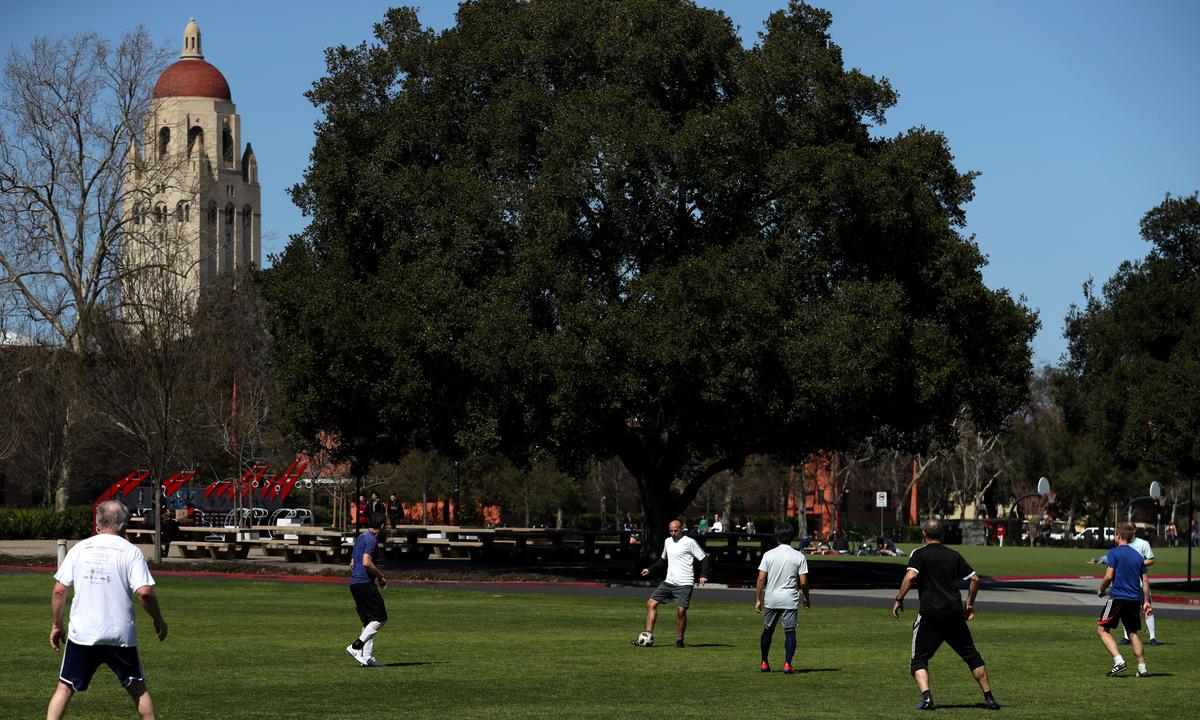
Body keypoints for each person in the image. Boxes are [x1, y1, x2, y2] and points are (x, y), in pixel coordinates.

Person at [47, 500, 168, 720]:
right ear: (125, 526)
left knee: (64, 688)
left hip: (83, 634)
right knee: (138, 689)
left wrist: (57, 625)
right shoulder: (131, 552)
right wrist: (158, 619)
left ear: (97, 524)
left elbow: (59, 590)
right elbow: (144, 592)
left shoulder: (80, 549)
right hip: (119, 634)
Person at [892, 519, 1000, 711]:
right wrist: (969, 604)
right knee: (972, 656)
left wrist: (899, 598)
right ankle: (989, 698)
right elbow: (974, 578)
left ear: (923, 534)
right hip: (954, 614)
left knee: (919, 659)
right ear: (941, 535)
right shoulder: (953, 555)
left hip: (930, 615)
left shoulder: (919, 554)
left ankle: (927, 698)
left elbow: (911, 576)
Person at [635, 520, 709, 648]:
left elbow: (704, 558)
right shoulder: (667, 542)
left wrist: (703, 575)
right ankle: (648, 635)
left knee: (681, 612)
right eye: (671, 531)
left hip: (685, 583)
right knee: (651, 603)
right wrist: (650, 569)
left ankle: (680, 639)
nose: (673, 533)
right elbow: (663, 560)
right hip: (669, 582)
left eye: (676, 531)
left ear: (682, 529)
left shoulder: (689, 542)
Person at [1096, 525, 1152, 677]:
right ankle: (1142, 668)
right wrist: (1146, 601)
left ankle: (1119, 661)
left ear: (1118, 535)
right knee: (1133, 632)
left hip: (1117, 598)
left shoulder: (1114, 552)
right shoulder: (1138, 556)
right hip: (1134, 599)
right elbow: (1145, 580)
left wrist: (1101, 589)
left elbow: (1108, 576)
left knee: (1102, 629)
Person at [755, 523, 811, 673]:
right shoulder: (799, 556)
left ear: (777, 537)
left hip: (771, 598)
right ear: (792, 538)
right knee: (790, 631)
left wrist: (758, 599)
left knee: (768, 630)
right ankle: (787, 664)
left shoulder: (768, 555)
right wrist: (806, 598)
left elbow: (761, 579)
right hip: (789, 599)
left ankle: (764, 662)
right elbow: (803, 582)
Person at [346, 512, 389, 667]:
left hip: (355, 583)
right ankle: (355, 647)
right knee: (380, 618)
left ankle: (366, 657)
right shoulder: (371, 539)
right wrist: (380, 575)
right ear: (382, 526)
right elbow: (366, 561)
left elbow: (352, 563)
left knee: (368, 621)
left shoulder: (361, 537)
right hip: (364, 584)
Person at [1117, 522, 1158, 646]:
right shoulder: (1122, 544)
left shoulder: (1143, 544)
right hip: (1125, 583)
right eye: (1125, 528)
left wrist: (1137, 564)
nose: (1126, 530)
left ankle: (1152, 637)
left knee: (1147, 608)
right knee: (1125, 611)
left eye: (1129, 528)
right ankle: (1126, 637)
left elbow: (1151, 560)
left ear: (1134, 530)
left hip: (1140, 583)